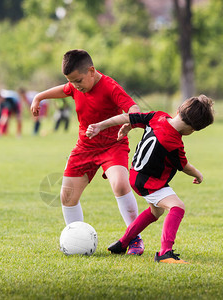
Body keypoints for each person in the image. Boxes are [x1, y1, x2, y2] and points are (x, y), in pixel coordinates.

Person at [31, 49, 144, 255]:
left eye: (78, 80)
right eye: (71, 81)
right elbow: (64, 90)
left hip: (113, 145)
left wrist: (130, 122)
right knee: (67, 196)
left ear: (91, 71)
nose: (75, 86)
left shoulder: (110, 86)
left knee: (120, 184)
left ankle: (134, 238)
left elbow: (133, 108)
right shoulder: (77, 86)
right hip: (85, 147)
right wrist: (39, 97)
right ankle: (76, 240)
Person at [86, 95, 215, 264]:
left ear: (178, 111)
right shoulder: (174, 143)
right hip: (149, 182)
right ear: (192, 130)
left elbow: (128, 117)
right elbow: (184, 166)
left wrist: (102, 126)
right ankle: (165, 253)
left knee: (156, 211)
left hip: (136, 175)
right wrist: (198, 174)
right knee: (177, 207)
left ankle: (122, 243)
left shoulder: (157, 116)